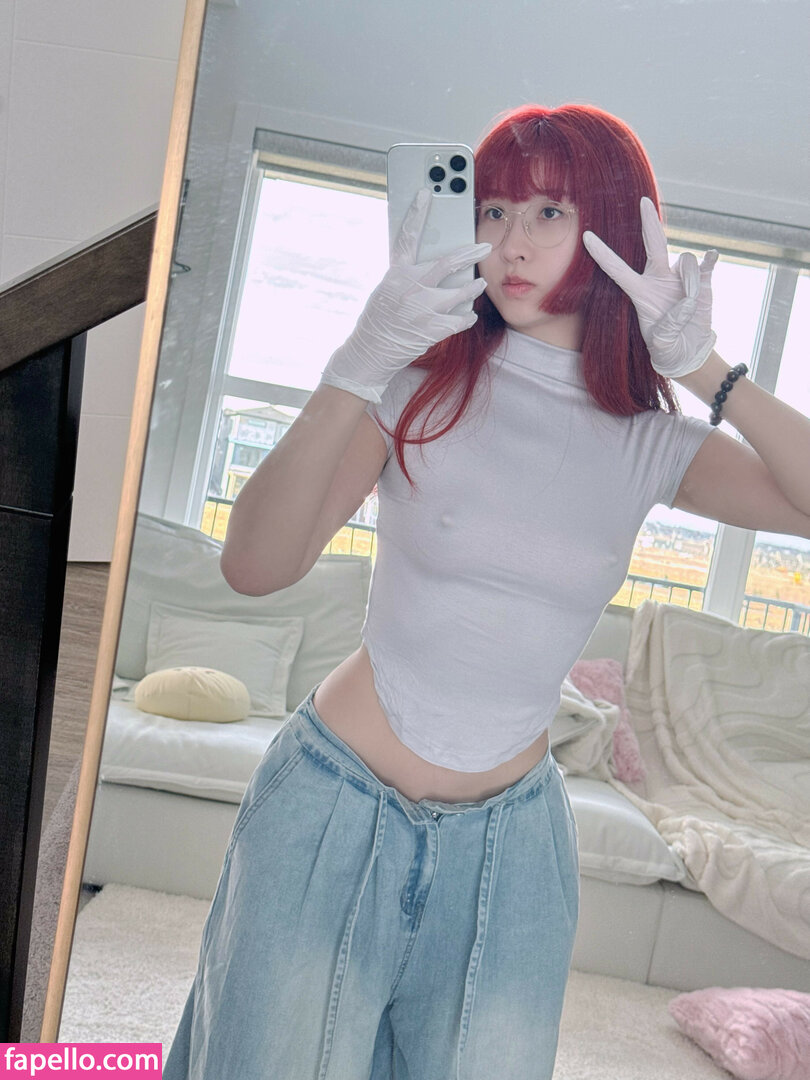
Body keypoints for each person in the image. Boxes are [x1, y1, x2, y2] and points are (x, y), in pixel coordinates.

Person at [163, 104, 810, 1080]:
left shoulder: (652, 443)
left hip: (510, 852)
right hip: (332, 803)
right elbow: (254, 565)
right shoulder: (411, 388)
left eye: (549, 212)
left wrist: (705, 369)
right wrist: (357, 364)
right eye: (494, 209)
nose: (511, 242)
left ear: (612, 231)